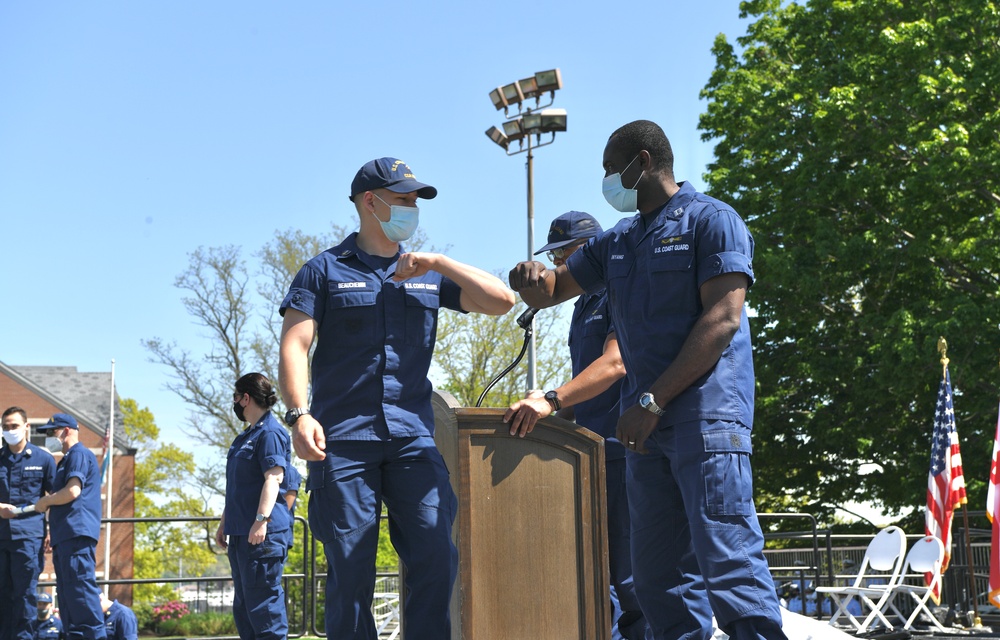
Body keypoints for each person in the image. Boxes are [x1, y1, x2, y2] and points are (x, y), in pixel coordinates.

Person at [508, 120, 787, 640]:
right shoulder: (618, 241)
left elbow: (723, 318)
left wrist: (652, 400)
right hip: (644, 436)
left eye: (612, 170)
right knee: (658, 583)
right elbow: (552, 289)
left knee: (729, 566)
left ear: (643, 161)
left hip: (704, 425)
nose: (608, 181)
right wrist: (527, 280)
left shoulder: (713, 220)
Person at [279, 156, 515, 639]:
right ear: (371, 201)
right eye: (403, 199)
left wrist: (440, 262)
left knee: (435, 554)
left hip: (412, 438)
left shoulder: (427, 274)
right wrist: (299, 415)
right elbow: (295, 344)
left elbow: (501, 301)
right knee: (351, 569)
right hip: (341, 441)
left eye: (414, 201)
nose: (411, 209)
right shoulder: (322, 271)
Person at [503, 211, 647, 640]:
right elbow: (583, 382)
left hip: (622, 450)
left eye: (565, 254)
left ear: (591, 249)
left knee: (629, 578)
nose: (561, 264)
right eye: (557, 256)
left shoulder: (617, 291)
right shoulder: (583, 302)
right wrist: (546, 417)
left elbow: (615, 364)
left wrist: (551, 401)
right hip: (588, 453)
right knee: (596, 575)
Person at [213, 373, 292, 640]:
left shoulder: (270, 433)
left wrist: (261, 519)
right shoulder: (243, 438)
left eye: (236, 397)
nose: (234, 402)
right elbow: (237, 487)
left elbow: (274, 477)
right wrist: (225, 523)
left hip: (261, 535)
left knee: (264, 607)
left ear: (246, 398)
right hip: (240, 534)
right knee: (245, 609)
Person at [32, 414, 106, 640]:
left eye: (52, 432)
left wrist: (45, 501)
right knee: (68, 600)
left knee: (81, 595)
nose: (49, 437)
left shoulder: (79, 454)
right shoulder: (67, 458)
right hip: (66, 536)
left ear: (65, 430)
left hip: (76, 535)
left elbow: (72, 491)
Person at [1, 407, 57, 640]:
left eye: (14, 426)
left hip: (29, 538)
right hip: (1, 537)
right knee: (3, 594)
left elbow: (56, 498)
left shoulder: (44, 459)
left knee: (25, 595)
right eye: (5, 427)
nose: (10, 431)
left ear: (27, 427)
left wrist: (52, 531)